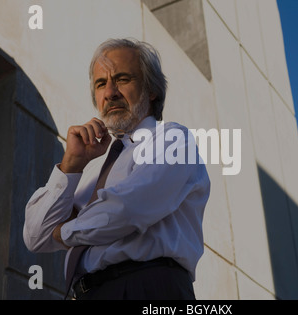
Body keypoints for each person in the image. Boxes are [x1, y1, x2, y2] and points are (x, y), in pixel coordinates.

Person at [23, 38, 210, 300]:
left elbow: (128, 208)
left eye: (122, 79)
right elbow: (35, 236)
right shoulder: (92, 166)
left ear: (151, 89)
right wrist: (71, 166)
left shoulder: (172, 139)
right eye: (101, 84)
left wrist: (64, 231)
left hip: (149, 287)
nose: (110, 92)